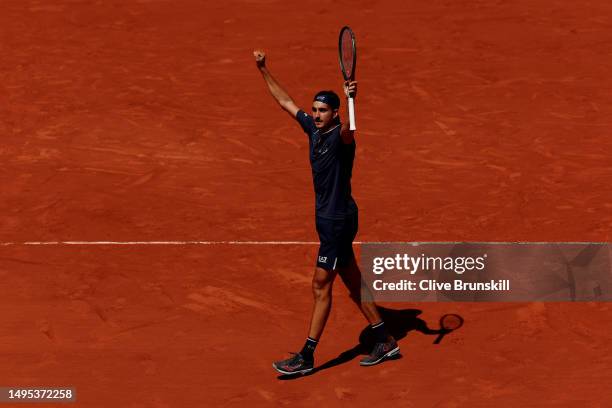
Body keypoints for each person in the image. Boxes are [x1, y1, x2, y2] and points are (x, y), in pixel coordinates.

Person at [253, 49, 399, 375]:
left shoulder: (340, 138)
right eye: (315, 110)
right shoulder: (313, 131)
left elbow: (351, 130)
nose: (316, 115)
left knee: (321, 285)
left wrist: (351, 100)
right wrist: (263, 68)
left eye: (323, 111)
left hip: (337, 221)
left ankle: (306, 355)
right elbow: (285, 102)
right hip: (332, 219)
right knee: (350, 278)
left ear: (334, 113)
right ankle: (385, 339)